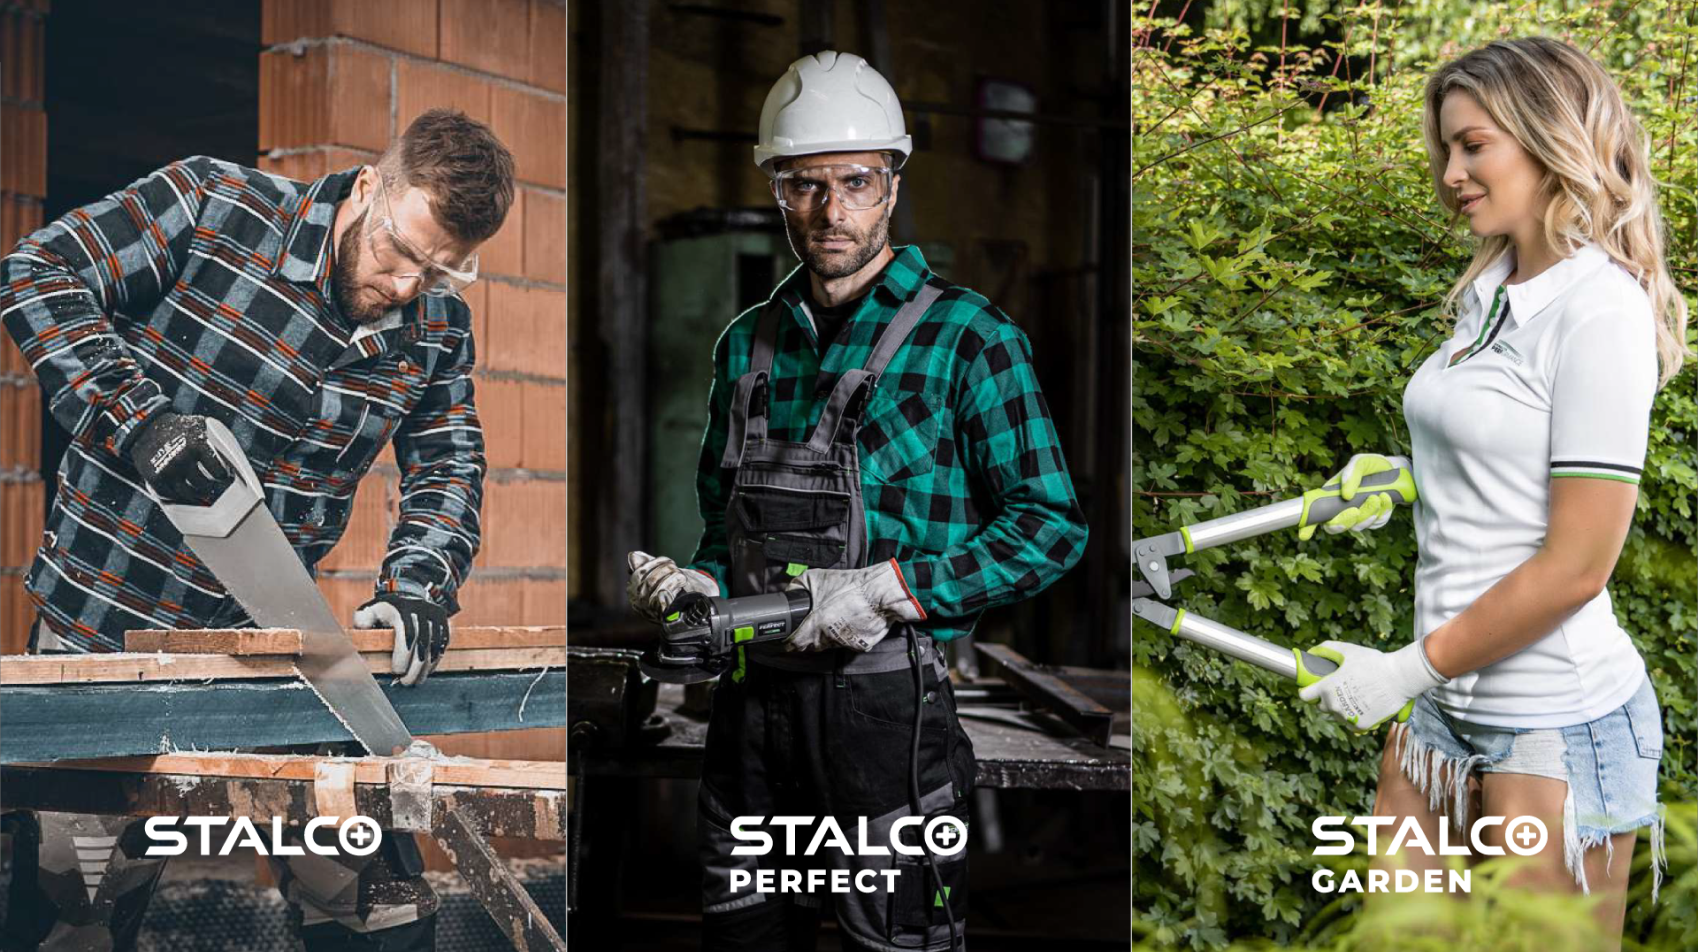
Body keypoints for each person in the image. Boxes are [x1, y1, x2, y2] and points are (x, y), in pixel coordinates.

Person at [0, 109, 513, 950]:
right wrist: (140, 420)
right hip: (103, 639)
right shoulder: (211, 204)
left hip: (272, 658)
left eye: (445, 272)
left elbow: (447, 466)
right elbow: (37, 270)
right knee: (75, 923)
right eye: (402, 254)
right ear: (368, 188)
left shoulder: (436, 329)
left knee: (378, 907)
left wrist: (419, 584)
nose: (410, 286)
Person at [626, 50, 1089, 952]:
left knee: (894, 945)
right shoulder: (743, 347)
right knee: (745, 939)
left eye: (855, 182)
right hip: (752, 716)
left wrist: (891, 591)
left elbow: (1050, 527)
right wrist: (699, 584)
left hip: (889, 717)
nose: (830, 211)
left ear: (891, 182)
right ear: (775, 186)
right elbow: (727, 523)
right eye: (804, 185)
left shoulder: (971, 340)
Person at [1293, 37, 1684, 946]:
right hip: (1442, 717)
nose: (1451, 172)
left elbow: (1578, 565)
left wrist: (1403, 669)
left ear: (1549, 139)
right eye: (1445, 150)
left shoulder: (1599, 311)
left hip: (1554, 727)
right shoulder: (1495, 288)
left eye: (1474, 145)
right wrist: (1409, 474)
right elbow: (1507, 456)